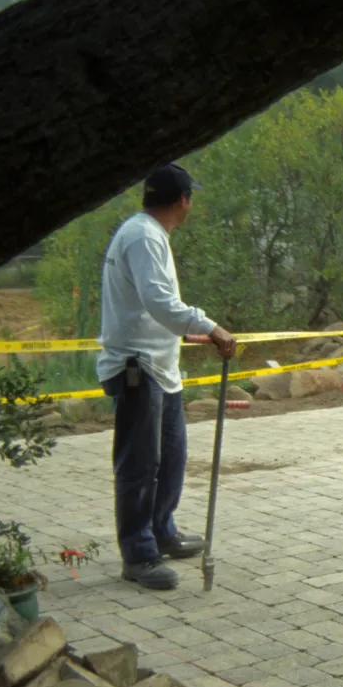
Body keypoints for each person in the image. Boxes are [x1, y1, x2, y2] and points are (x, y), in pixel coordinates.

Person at [97, 163, 236, 591]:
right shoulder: (142, 236)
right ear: (182, 201)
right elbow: (159, 300)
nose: (191, 204)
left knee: (172, 457)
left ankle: (162, 530)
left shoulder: (151, 234)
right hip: (138, 367)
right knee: (141, 464)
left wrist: (187, 331)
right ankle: (138, 554)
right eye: (191, 197)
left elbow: (151, 306)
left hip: (161, 364)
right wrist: (210, 326)